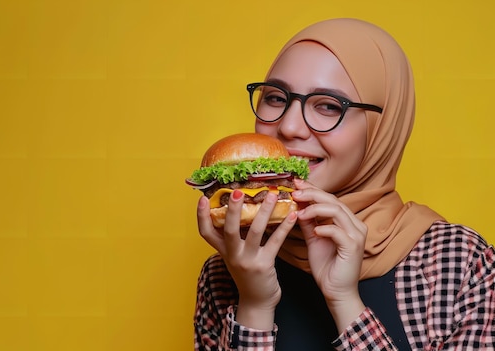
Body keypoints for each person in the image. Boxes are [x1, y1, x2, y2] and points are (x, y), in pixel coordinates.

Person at [193, 18, 495, 350]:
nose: (290, 126)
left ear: (383, 127)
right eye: (276, 98)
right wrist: (253, 305)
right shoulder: (226, 271)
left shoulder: (459, 263)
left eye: (328, 106)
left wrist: (345, 302)